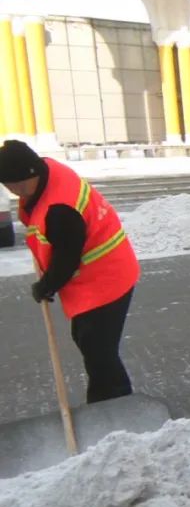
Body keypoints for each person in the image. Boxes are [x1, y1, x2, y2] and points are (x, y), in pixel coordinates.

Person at [0, 139, 139, 403]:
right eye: (8, 186)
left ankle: (114, 406)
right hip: (97, 274)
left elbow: (67, 258)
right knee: (88, 340)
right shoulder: (48, 171)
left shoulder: (60, 209)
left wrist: (46, 286)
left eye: (17, 184)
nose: (15, 191)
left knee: (99, 350)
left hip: (106, 278)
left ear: (32, 172)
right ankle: (111, 403)